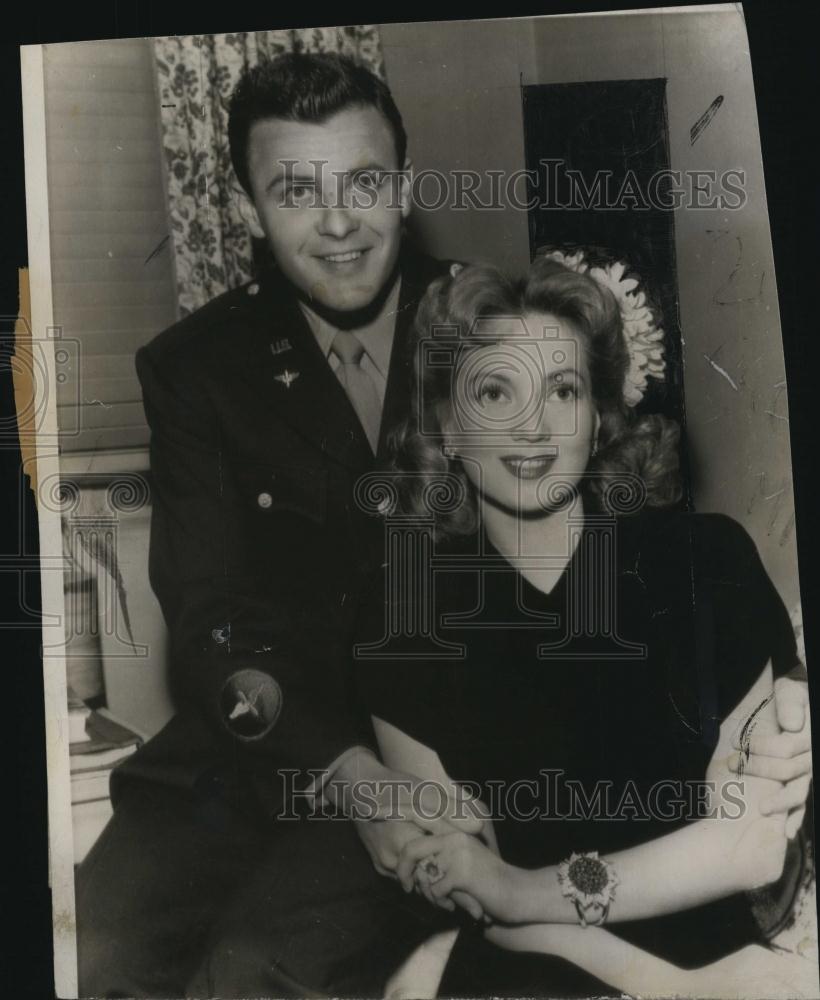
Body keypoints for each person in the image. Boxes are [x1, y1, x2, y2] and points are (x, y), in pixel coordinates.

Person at [75, 52, 477, 999]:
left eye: (365, 183)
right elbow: (211, 613)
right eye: (297, 190)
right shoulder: (197, 368)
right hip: (249, 751)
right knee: (95, 951)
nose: (339, 223)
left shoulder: (487, 323)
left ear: (404, 187)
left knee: (252, 972)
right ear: (251, 207)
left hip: (432, 761)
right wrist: (344, 775)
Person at [355, 256, 816, 998]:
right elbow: (474, 894)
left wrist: (527, 891)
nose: (531, 425)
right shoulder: (403, 616)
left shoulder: (703, 562)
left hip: (722, 963)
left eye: (562, 390)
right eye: (495, 390)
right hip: (542, 970)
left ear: (598, 415)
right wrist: (654, 986)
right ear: (445, 422)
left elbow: (753, 845)